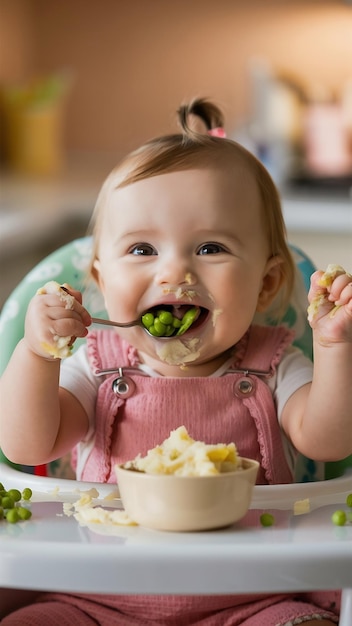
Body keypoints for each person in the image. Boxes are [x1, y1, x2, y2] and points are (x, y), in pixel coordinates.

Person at [1, 98, 351, 626]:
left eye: (210, 248)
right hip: (93, 596)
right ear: (100, 282)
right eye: (142, 250)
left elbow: (329, 440)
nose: (174, 272)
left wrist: (334, 349)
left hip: (252, 596)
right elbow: (26, 444)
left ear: (267, 284)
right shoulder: (95, 362)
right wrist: (37, 353)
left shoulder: (275, 359)